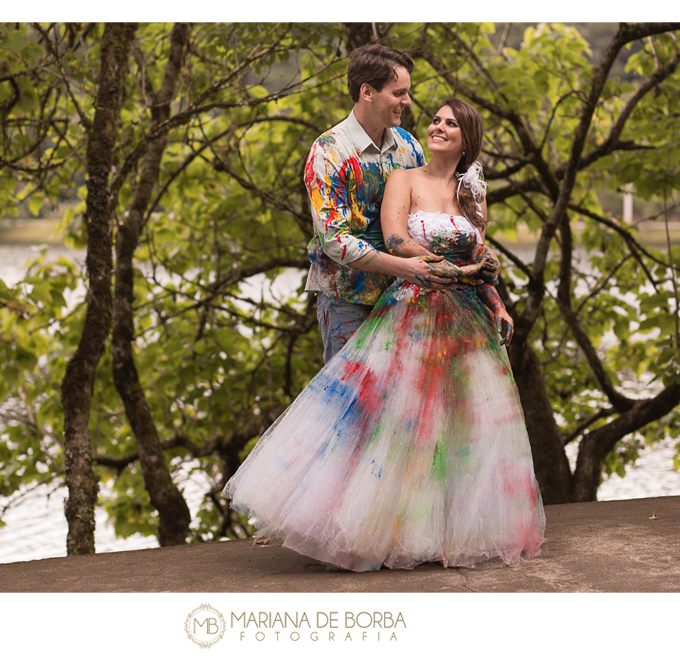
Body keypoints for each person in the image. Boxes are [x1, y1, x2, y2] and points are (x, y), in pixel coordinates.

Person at [223, 98, 545, 571]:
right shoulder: (403, 175)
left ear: (467, 138)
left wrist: (496, 301)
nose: (435, 125)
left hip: (465, 317)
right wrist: (451, 267)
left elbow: (483, 259)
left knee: (458, 423)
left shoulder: (470, 192)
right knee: (390, 419)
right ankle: (360, 533)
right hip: (410, 310)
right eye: (435, 119)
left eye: (450, 123)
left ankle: (437, 533)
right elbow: (395, 239)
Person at [303, 44, 499, 363]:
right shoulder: (329, 151)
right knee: (353, 405)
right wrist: (406, 268)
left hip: (408, 302)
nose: (407, 101)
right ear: (368, 92)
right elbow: (333, 241)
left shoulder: (408, 146)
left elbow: (430, 213)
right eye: (399, 93)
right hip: (349, 300)